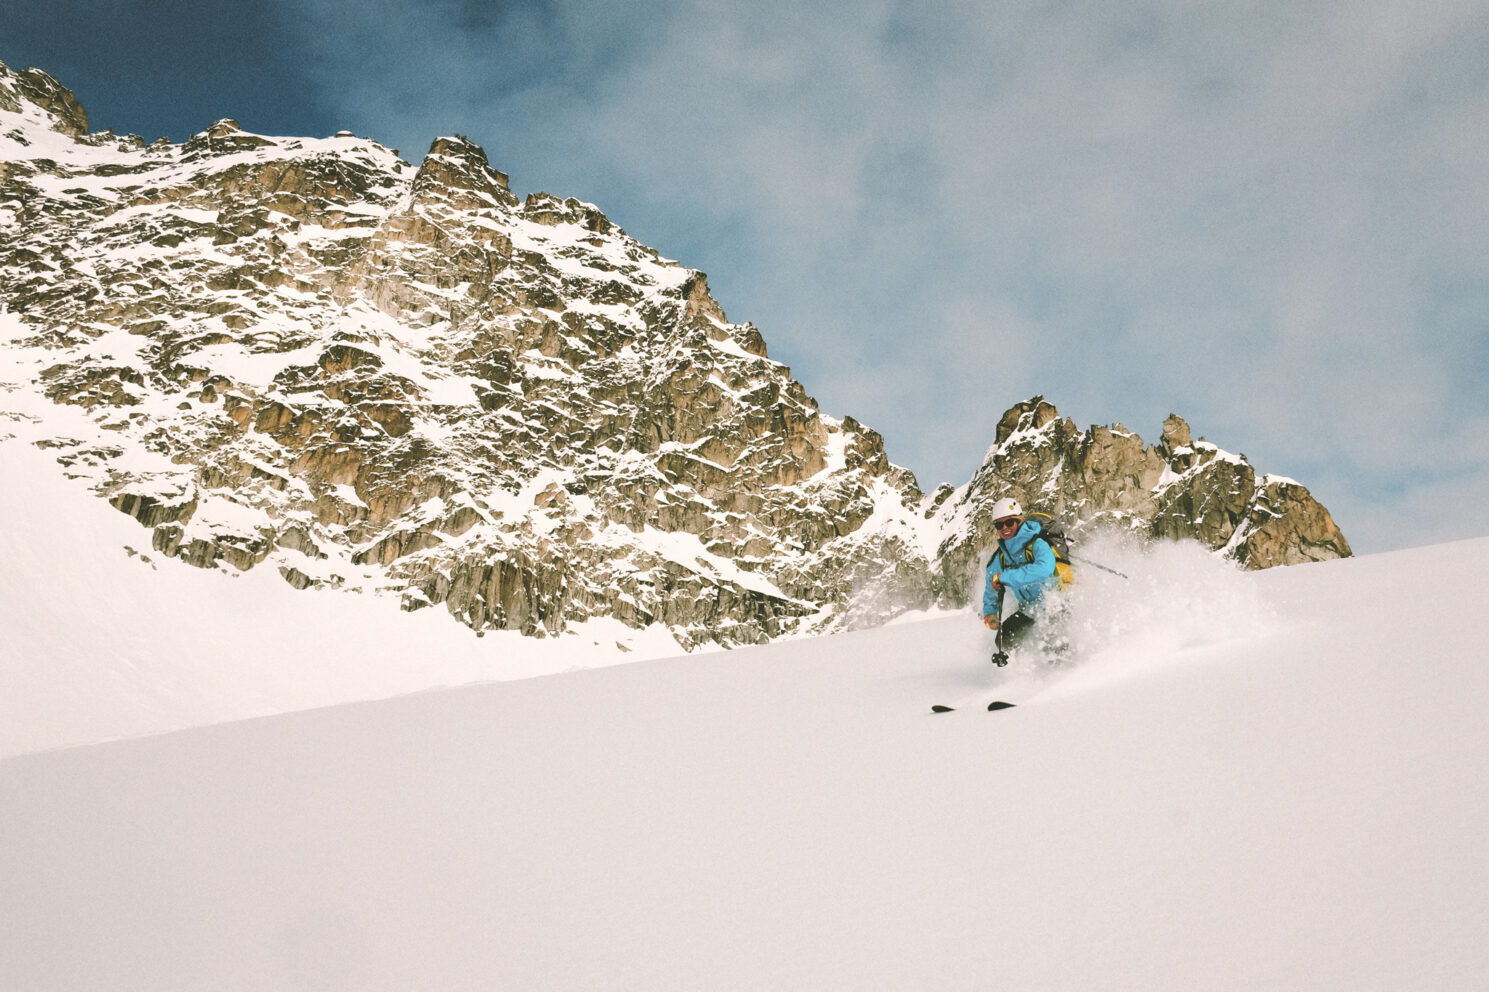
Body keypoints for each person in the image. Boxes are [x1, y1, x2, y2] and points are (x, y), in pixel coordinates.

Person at [982, 497, 1059, 666]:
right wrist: (990, 613)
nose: (1005, 528)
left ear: (1019, 521)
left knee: (1054, 646)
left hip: (1055, 602)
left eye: (1009, 522)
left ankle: (1068, 682)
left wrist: (1007, 577)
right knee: (1004, 640)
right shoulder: (1000, 556)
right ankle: (1024, 675)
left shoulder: (1036, 544)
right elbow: (991, 584)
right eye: (999, 525)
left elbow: (1044, 569)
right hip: (1029, 608)